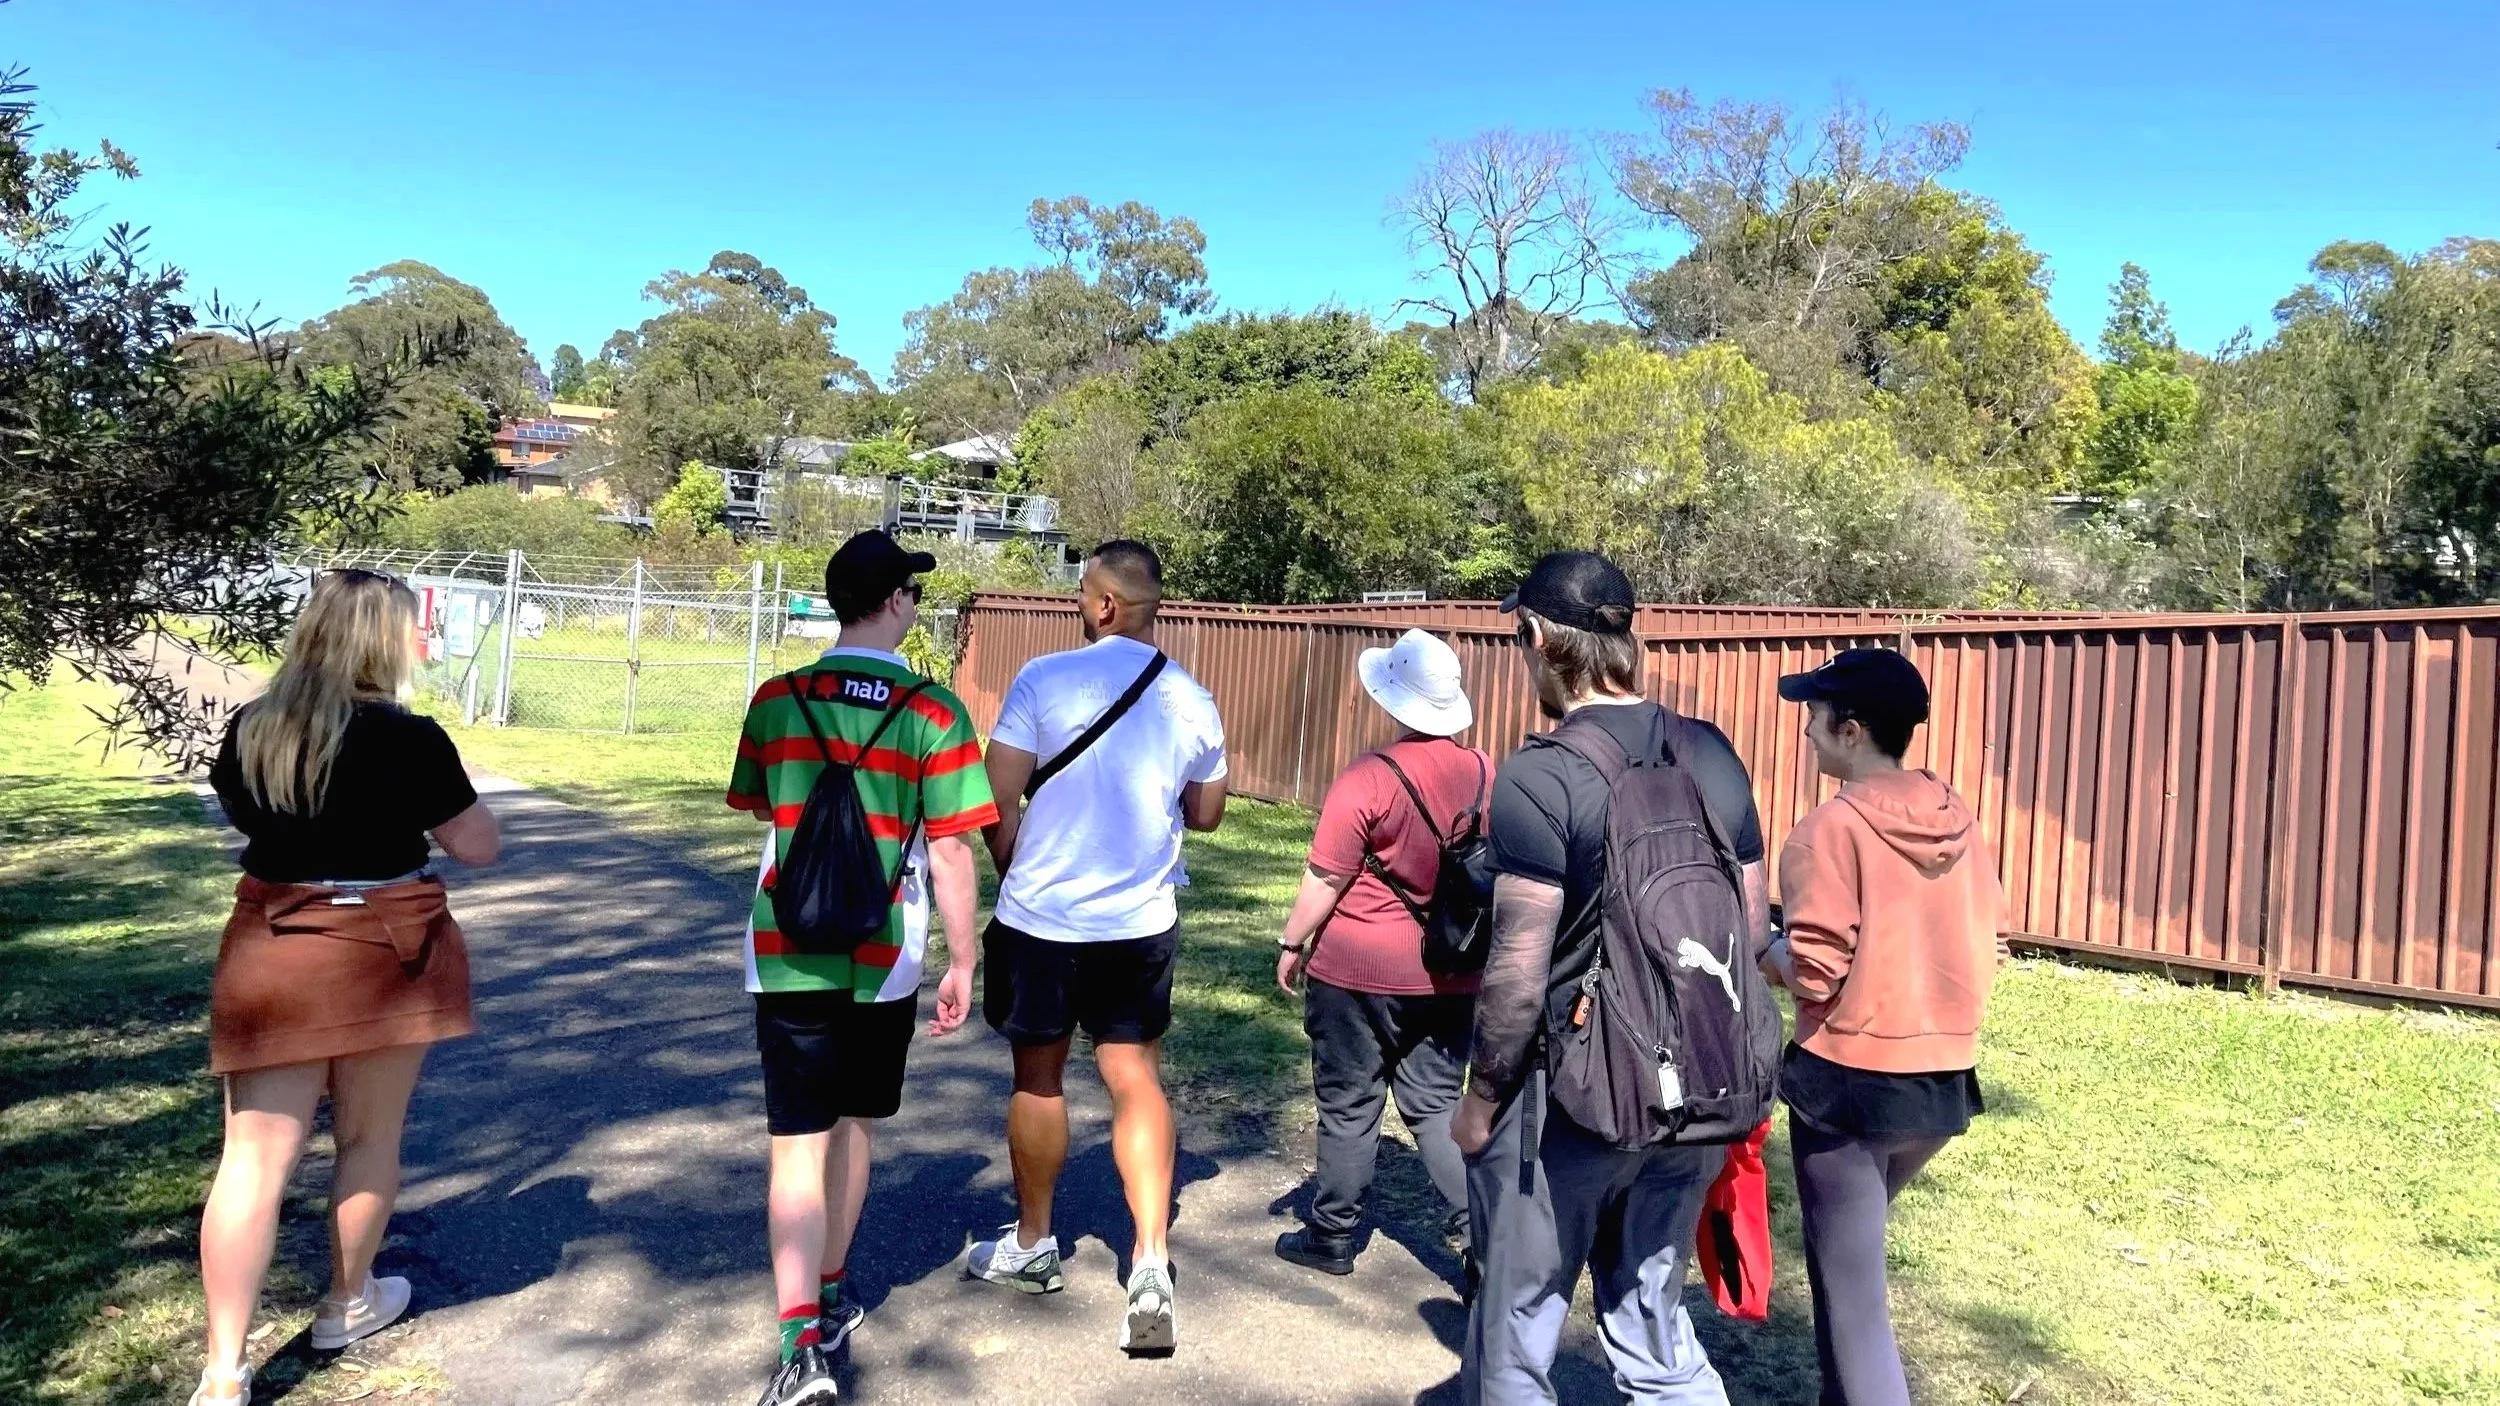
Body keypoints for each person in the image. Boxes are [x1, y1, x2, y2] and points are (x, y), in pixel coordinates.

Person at [1449, 552, 1774, 1406]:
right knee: (1654, 1325)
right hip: (1701, 1093)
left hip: (1574, 1104)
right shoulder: (1710, 753)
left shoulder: (1540, 776)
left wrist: (1481, 1103)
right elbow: (1746, 925)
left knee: (1517, 1334)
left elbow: (1519, 971)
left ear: (1534, 638)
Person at [193, 568, 502, 1406]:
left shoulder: (254, 728)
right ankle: (345, 1304)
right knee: (369, 1140)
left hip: (274, 944)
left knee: (252, 1161)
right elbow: (478, 846)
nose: (417, 642)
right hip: (383, 955)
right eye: (409, 628)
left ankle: (223, 1370)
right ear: (379, 640)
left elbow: (247, 819)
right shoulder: (412, 739)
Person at [728, 530, 998, 1406]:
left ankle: (797, 1338)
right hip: (884, 958)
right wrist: (965, 959)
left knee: (794, 1145)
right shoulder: (932, 712)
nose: (915, 604)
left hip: (784, 949)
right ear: (891, 603)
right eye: (911, 593)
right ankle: (835, 1293)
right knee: (854, 1128)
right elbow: (954, 851)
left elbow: (760, 803)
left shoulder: (777, 699)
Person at [965, 540, 1227, 1355]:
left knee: (1038, 1076)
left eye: (1083, 591)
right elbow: (1209, 812)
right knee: (1132, 1073)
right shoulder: (1191, 696)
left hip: (1042, 918)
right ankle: (1149, 1258)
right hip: (1139, 923)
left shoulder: (1044, 678)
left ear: (1107, 603)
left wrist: (1012, 860)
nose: (1080, 603)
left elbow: (994, 791)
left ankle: (1036, 1243)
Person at [1761, 648, 2005, 1406]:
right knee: (1846, 1277)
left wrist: (1765, 952)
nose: (1806, 731)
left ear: (1853, 729)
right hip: (1941, 1083)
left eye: (1816, 716)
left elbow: (1815, 970)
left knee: (1857, 1304)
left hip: (1849, 1089)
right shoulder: (1958, 815)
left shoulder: (1826, 831)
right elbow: (1990, 935)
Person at [1272, 628, 1489, 1278]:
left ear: (1393, 699)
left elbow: (1327, 877)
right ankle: (1483, 1247)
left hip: (1355, 970)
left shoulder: (1368, 777)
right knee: (1436, 1104)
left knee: (1349, 1103)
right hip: (1451, 970)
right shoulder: (1486, 774)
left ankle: (1332, 1235)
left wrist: (1291, 940)